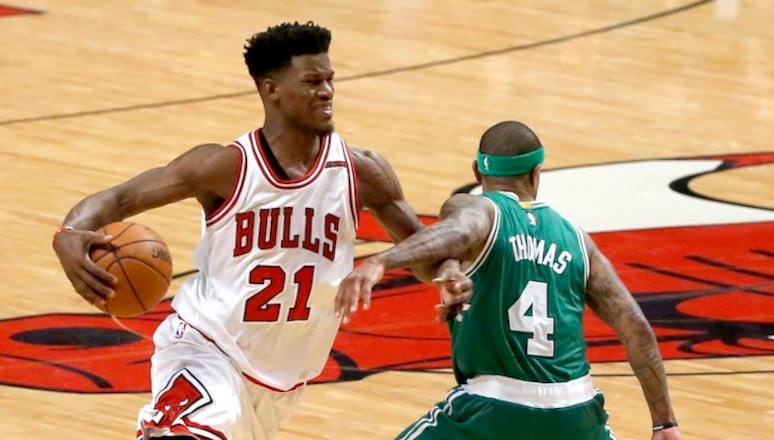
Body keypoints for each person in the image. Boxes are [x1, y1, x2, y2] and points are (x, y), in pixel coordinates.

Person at [52, 21, 445, 440]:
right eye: (312, 82)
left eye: (330, 80)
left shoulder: (362, 172)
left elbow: (427, 257)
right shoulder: (226, 167)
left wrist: (451, 275)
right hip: (205, 351)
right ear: (272, 90)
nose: (327, 91)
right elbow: (118, 199)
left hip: (279, 385)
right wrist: (68, 233)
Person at [336, 120, 682, 439]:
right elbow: (635, 327)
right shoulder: (579, 242)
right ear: (536, 174)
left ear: (477, 172)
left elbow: (459, 232)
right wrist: (664, 422)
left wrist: (382, 261)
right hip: (578, 410)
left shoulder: (478, 208)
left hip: (495, 406)